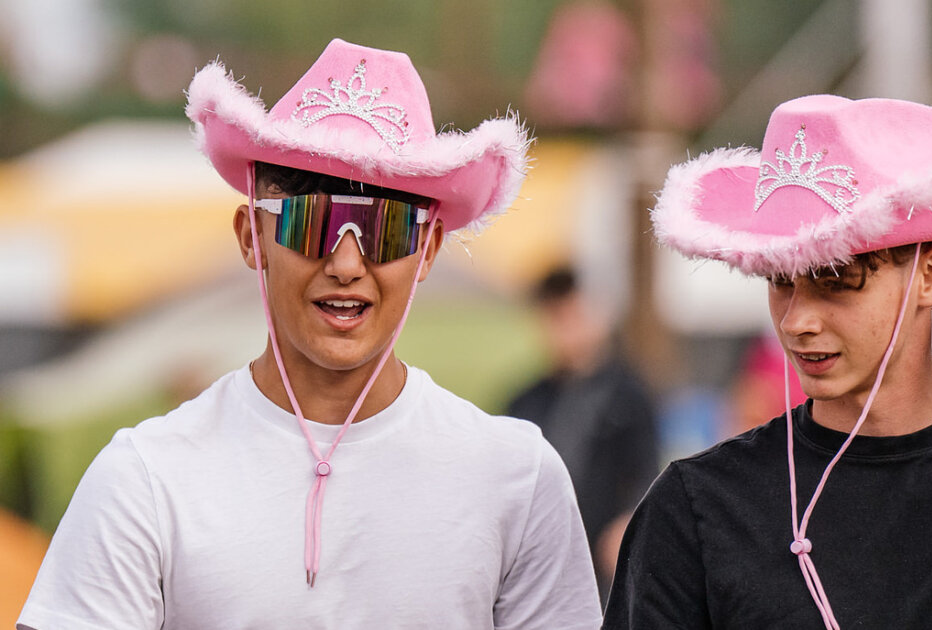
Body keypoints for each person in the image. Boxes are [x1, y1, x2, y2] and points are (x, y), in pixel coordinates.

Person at [18, 39, 602, 629]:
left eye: (386, 228)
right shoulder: (145, 477)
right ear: (252, 236)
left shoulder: (516, 480)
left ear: (427, 250)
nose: (347, 264)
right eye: (311, 220)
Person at [602, 94, 932, 628]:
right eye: (780, 281)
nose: (796, 321)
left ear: (931, 278)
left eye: (837, 283)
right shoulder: (698, 504)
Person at [506, 266, 659, 601]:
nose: (566, 328)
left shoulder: (630, 395)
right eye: (556, 317)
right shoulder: (525, 402)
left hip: (601, 557)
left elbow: (647, 468)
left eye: (573, 314)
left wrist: (630, 520)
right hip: (537, 555)